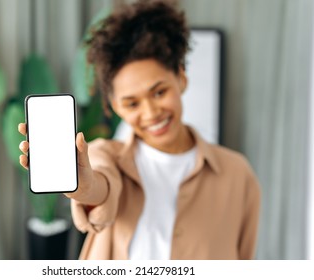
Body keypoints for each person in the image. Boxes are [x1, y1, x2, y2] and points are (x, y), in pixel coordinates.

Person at [18, 0, 261, 260]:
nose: (151, 112)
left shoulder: (238, 175)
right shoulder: (106, 157)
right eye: (131, 103)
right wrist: (84, 186)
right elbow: (101, 188)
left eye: (159, 92)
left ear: (181, 77)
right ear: (114, 106)